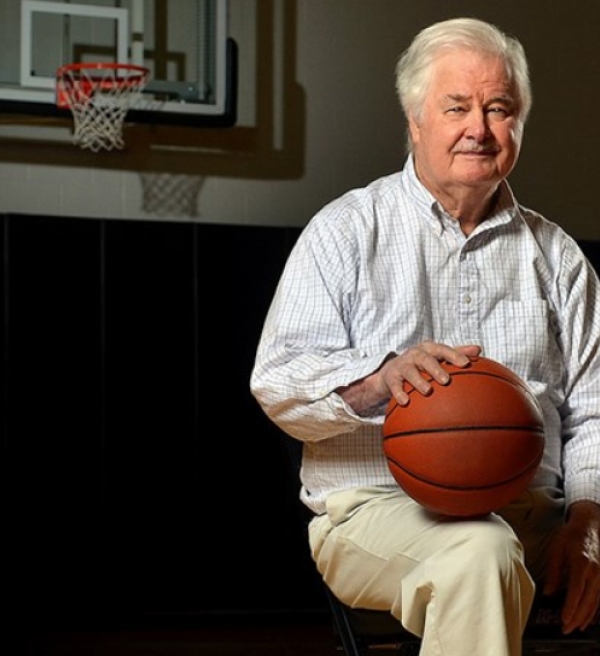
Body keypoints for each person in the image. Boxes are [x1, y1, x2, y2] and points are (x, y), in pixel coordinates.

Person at [250, 17, 600, 656]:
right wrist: (379, 381)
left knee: (499, 543)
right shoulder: (344, 232)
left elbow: (595, 411)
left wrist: (588, 522)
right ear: (414, 120)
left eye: (499, 109)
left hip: (535, 512)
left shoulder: (560, 258)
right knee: (481, 553)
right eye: (456, 107)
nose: (479, 129)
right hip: (376, 511)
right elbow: (276, 384)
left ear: (520, 123)